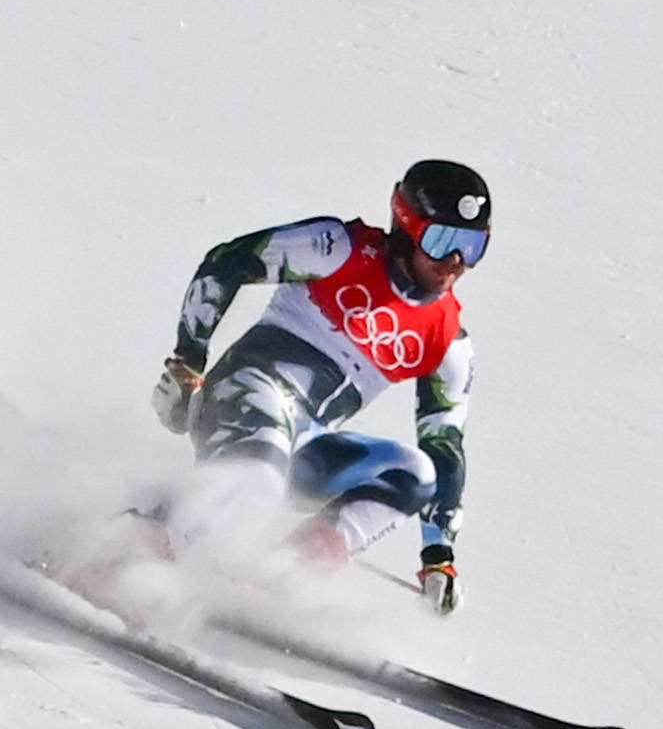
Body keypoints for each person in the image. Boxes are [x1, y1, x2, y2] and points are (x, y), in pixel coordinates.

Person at [148, 159, 487, 612]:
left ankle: (277, 577)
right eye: (442, 240)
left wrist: (438, 555)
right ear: (407, 227)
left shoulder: (447, 341)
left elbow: (444, 444)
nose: (455, 263)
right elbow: (226, 263)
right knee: (257, 483)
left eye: (473, 245)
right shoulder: (339, 248)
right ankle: (140, 548)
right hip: (244, 394)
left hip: (305, 441)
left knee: (414, 474)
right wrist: (187, 362)